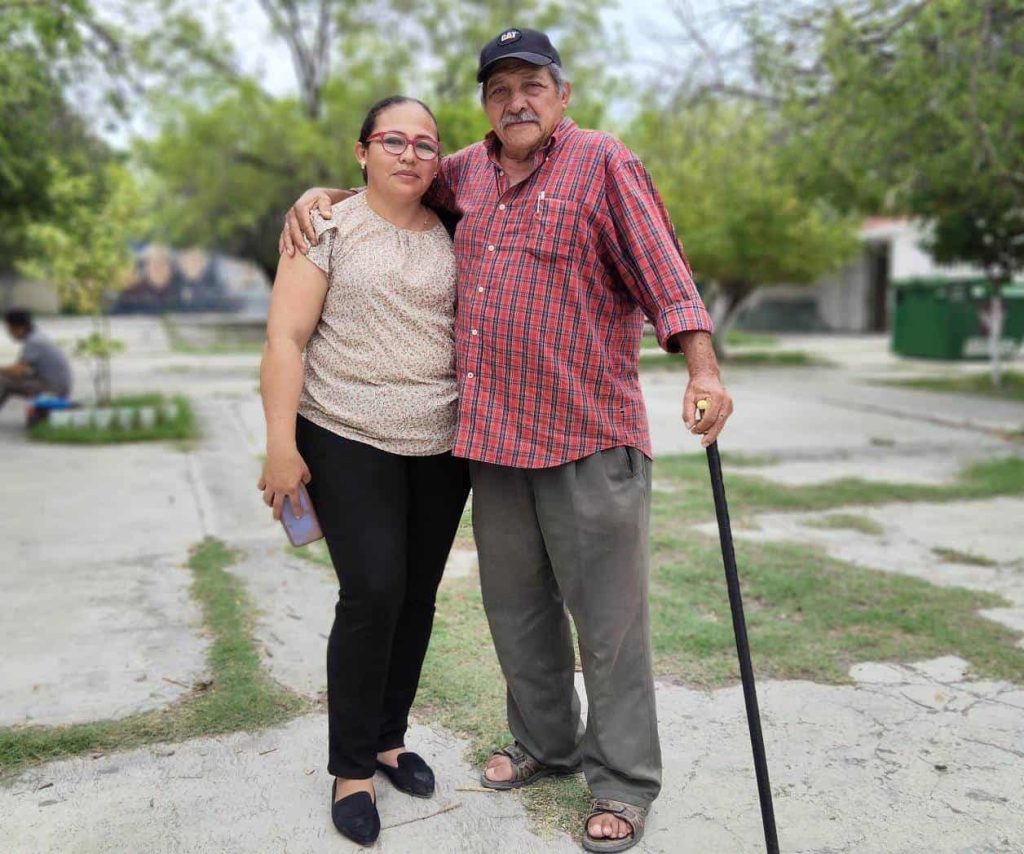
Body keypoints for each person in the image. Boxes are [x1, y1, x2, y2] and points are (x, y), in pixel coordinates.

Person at [280, 28, 735, 854]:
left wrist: (702, 370)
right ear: (485, 103)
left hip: (588, 437)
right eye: (499, 90)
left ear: (562, 95)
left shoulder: (603, 162)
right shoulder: (463, 172)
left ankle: (623, 783)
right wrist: (318, 194)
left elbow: (665, 274)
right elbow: (393, 177)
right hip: (490, 445)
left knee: (609, 627)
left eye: (532, 86)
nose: (515, 102)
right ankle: (545, 745)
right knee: (518, 617)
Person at [258, 95, 470, 846]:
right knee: (373, 590)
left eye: (425, 144)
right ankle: (351, 769)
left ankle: (388, 738)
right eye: (394, 141)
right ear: (362, 151)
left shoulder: (453, 227)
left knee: (415, 598)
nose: (410, 155)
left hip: (442, 446)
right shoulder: (325, 225)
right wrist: (281, 445)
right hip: (345, 432)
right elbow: (285, 339)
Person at [1, 309, 73, 411]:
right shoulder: (36, 335)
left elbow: (17, 371)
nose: (9, 333)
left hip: (53, 389)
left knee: (2, 380)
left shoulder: (34, 341)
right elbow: (22, 370)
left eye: (10, 329)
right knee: (5, 378)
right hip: (56, 385)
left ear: (19, 328)